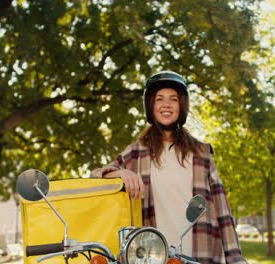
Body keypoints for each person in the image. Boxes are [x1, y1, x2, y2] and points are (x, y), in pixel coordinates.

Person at [91, 70, 246, 264]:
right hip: (153, 257)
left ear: (182, 106)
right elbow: (96, 177)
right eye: (159, 99)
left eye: (173, 99)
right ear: (151, 106)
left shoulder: (202, 154)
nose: (166, 105)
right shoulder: (135, 154)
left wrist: (236, 258)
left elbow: (223, 212)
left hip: (200, 256)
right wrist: (119, 172)